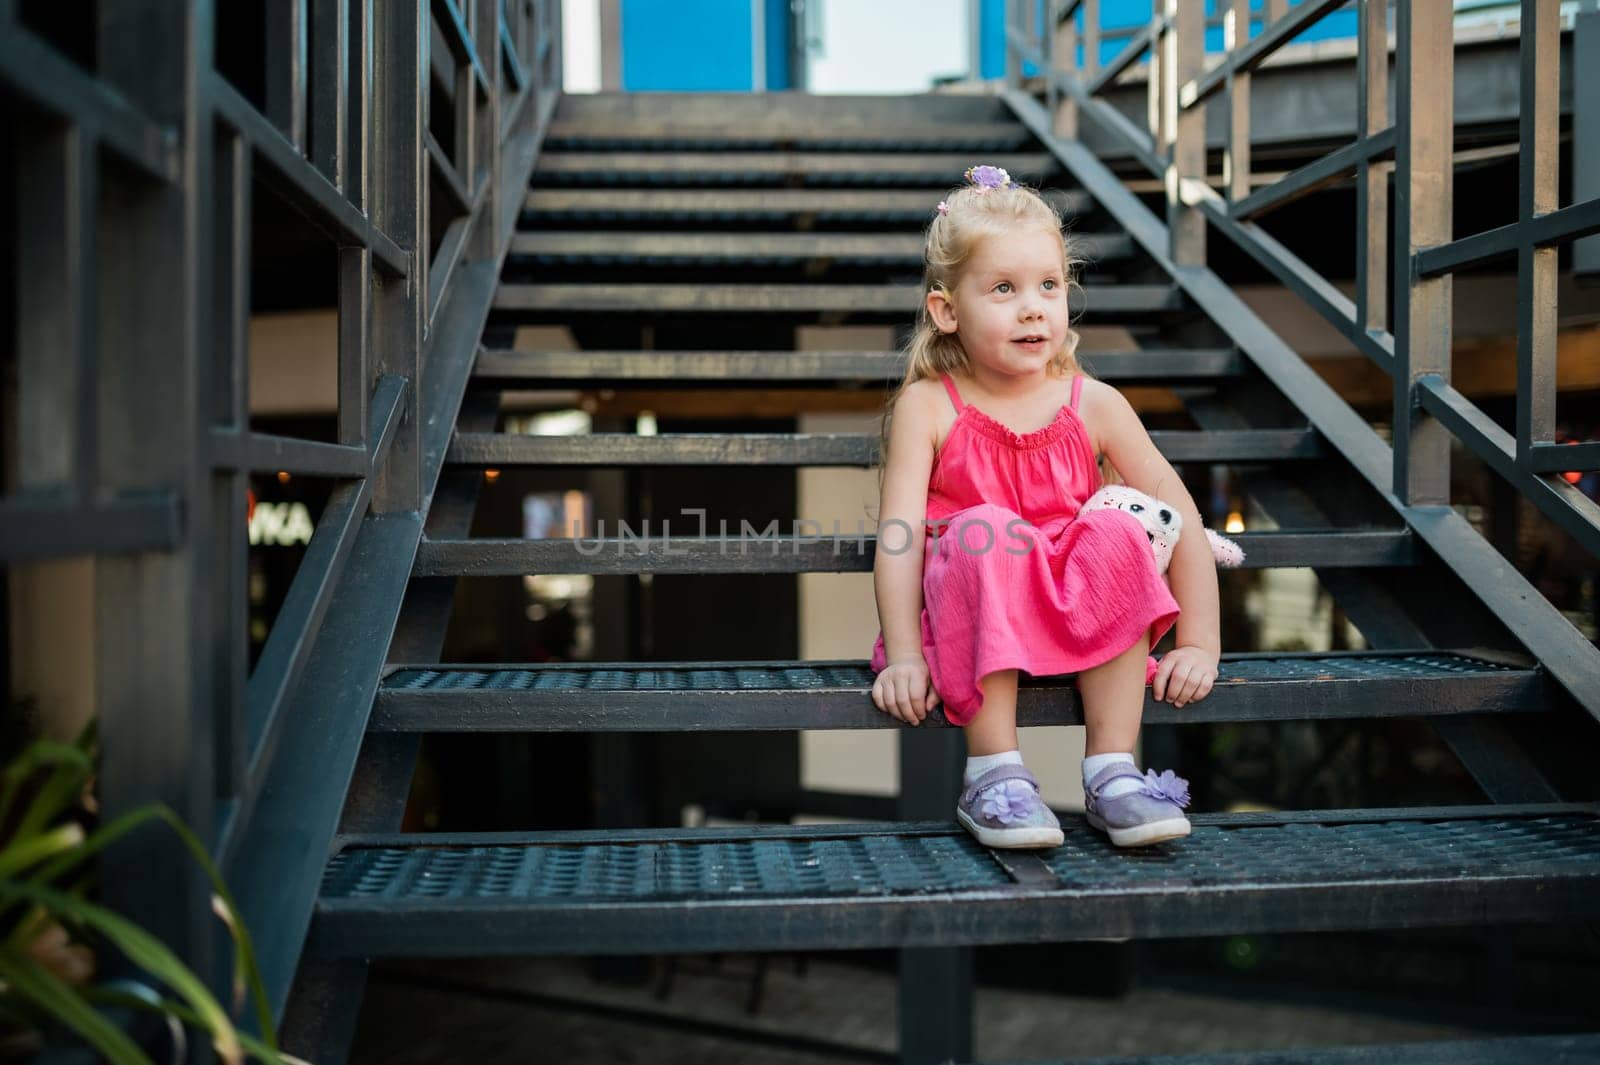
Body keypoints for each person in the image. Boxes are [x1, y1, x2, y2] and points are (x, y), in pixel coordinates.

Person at [867, 165, 1221, 850]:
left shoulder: (1095, 402)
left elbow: (1177, 513)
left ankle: (1112, 768)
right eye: (1004, 289)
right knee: (986, 531)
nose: (1034, 308)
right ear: (947, 310)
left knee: (1122, 529)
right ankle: (995, 773)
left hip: (1071, 605)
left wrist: (1201, 640)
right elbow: (902, 537)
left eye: (1049, 287)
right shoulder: (931, 405)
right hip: (974, 609)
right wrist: (906, 655)